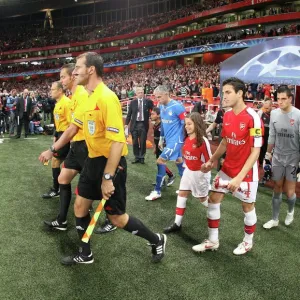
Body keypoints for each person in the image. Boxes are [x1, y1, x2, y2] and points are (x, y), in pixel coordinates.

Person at [39, 52, 166, 265]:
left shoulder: (107, 98)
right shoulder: (86, 98)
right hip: (92, 160)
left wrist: (107, 177)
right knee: (80, 206)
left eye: (78, 66)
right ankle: (85, 254)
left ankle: (156, 239)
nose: (74, 71)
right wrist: (53, 149)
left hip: (111, 164)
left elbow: (117, 142)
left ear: (91, 69)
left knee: (117, 218)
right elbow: (73, 128)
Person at [192, 77, 263, 256]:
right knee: (214, 200)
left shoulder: (253, 118)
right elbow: (224, 142)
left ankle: (248, 242)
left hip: (246, 173)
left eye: (228, 92)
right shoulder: (228, 114)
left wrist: (239, 177)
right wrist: (212, 161)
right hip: (227, 168)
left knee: (247, 207)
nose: (224, 96)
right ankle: (213, 241)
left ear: (240, 93)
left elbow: (256, 152)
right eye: (223, 93)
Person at [43, 63, 89, 230]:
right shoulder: (75, 95)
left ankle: (112, 216)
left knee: (96, 188)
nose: (61, 80)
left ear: (72, 76)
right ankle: (61, 220)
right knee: (63, 178)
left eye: (63, 76)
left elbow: (73, 127)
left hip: (85, 146)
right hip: (76, 144)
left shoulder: (80, 95)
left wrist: (52, 148)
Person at [163, 112, 211, 234]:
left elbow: (210, 161)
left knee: (203, 199)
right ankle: (177, 223)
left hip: (199, 174)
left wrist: (205, 168)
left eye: (189, 124)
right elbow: (187, 155)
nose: (186, 126)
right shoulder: (186, 138)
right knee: (182, 194)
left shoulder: (203, 141)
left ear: (197, 124)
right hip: (188, 171)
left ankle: (215, 209)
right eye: (185, 124)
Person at [263, 86, 300, 229]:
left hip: (293, 158)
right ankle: (274, 219)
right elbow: (272, 135)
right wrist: (267, 155)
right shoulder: (274, 114)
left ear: (290, 99)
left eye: (283, 98)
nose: (280, 101)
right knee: (277, 187)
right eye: (278, 99)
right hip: (278, 156)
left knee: (290, 191)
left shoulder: (298, 115)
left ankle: (290, 211)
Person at [145, 85, 186, 201]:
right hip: (168, 140)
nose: (157, 99)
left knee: (160, 160)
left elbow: (185, 124)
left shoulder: (178, 107)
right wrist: (162, 138)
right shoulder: (161, 106)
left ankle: (157, 191)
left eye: (159, 97)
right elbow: (163, 123)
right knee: (179, 161)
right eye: (156, 97)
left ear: (166, 94)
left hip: (176, 141)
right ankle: (186, 188)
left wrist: (184, 141)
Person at [42, 81, 71, 199]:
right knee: (60, 162)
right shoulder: (58, 103)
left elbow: (71, 125)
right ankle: (57, 188)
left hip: (66, 136)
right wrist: (55, 137)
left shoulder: (66, 103)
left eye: (53, 89)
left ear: (60, 91)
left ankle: (56, 189)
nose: (51, 92)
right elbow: (57, 123)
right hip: (60, 135)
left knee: (56, 161)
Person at [125, 87, 153, 164]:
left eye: (142, 92)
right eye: (139, 92)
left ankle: (142, 157)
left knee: (143, 141)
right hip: (134, 125)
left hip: (143, 125)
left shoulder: (148, 102)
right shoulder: (132, 103)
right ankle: (136, 157)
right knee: (135, 142)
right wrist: (126, 124)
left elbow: (153, 110)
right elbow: (129, 114)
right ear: (136, 94)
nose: (141, 94)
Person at [151, 107, 176, 187]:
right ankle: (162, 180)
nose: (151, 115)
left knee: (160, 163)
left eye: (153, 114)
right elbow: (155, 138)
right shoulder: (155, 125)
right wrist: (155, 147)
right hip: (158, 147)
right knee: (159, 163)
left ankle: (171, 175)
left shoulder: (163, 125)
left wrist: (165, 147)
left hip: (163, 147)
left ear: (158, 115)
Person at [257, 98, 272, 166]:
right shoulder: (260, 112)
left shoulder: (274, 113)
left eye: (267, 103)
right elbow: (255, 124)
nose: (265, 105)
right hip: (261, 133)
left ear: (271, 105)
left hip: (270, 133)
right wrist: (255, 136)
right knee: (260, 148)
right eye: (265, 103)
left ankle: (266, 163)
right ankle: (260, 162)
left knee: (267, 149)